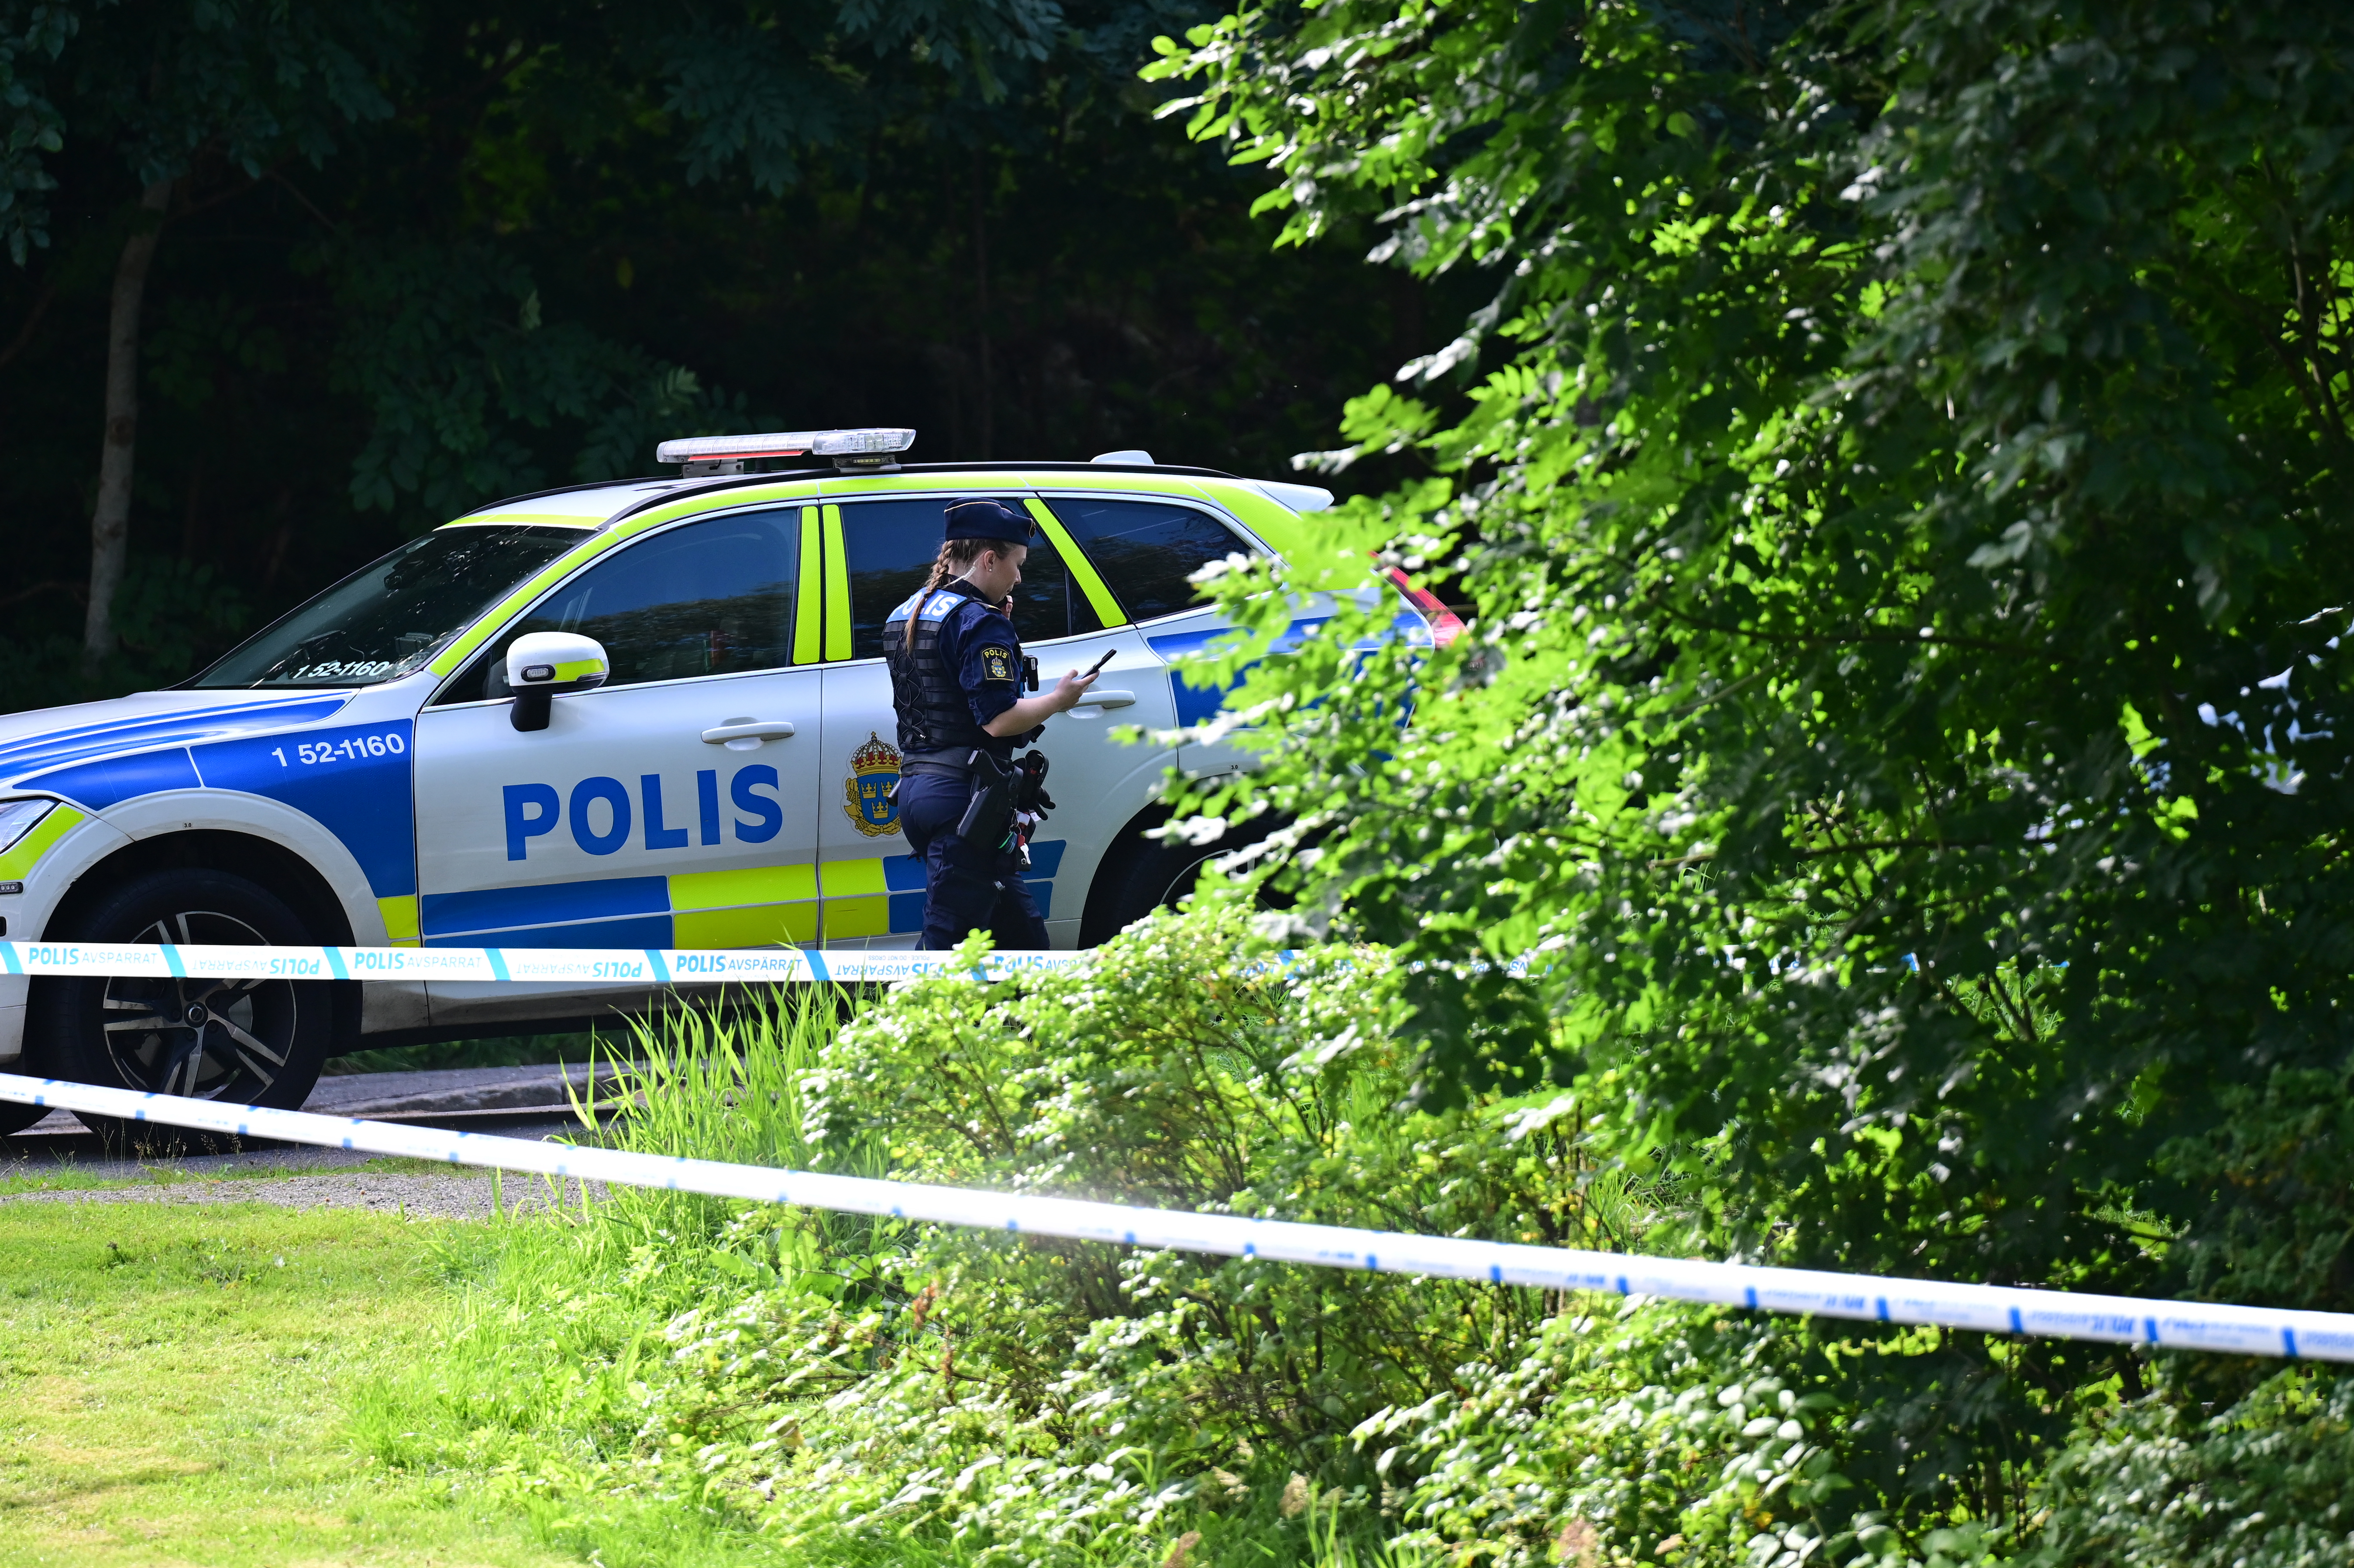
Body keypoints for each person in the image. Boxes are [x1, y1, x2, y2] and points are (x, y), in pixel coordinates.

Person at [884, 497, 1100, 949]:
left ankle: (1036, 1021)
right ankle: (903, 1023)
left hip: (919, 793)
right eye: (1016, 564)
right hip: (964, 803)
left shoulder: (907, 612)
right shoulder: (978, 622)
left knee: (1024, 942)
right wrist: (1059, 699)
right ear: (989, 559)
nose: (1019, 577)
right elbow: (999, 721)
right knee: (943, 949)